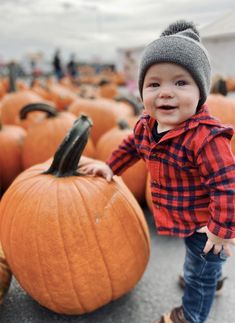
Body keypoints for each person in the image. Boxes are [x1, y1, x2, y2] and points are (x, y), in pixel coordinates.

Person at [79, 20, 235, 323]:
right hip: (184, 216)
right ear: (141, 91)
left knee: (199, 273)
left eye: (180, 83)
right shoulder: (147, 126)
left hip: (206, 222)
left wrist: (221, 227)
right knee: (202, 263)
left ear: (201, 91)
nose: (166, 93)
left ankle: (190, 315)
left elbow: (228, 185)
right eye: (154, 84)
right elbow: (130, 146)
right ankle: (211, 276)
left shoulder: (207, 139)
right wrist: (110, 166)